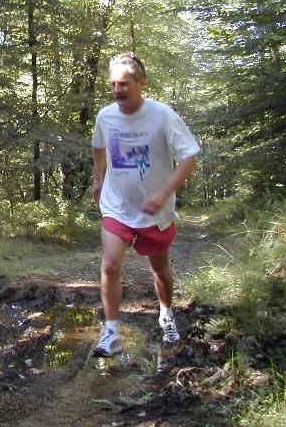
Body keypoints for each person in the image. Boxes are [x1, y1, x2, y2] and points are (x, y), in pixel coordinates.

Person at [90, 53, 200, 357]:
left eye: (124, 84)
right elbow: (98, 146)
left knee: (159, 270)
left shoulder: (162, 115)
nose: (118, 90)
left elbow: (189, 157)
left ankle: (166, 313)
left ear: (141, 82)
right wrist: (98, 180)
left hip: (155, 212)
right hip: (116, 205)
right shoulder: (105, 116)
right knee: (110, 264)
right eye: (113, 84)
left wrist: (163, 194)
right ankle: (111, 332)